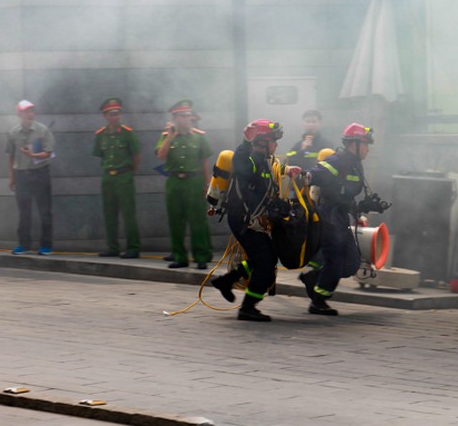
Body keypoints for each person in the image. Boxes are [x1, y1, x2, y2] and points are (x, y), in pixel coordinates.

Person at [210, 119, 301, 322]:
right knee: (266, 264)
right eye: (273, 140)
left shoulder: (264, 160)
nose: (276, 145)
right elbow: (241, 165)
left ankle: (227, 280)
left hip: (254, 219)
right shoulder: (248, 158)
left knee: (265, 257)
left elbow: (265, 189)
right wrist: (245, 142)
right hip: (243, 220)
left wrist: (282, 205)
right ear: (261, 141)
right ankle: (247, 308)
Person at [299, 123, 375, 316]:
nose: (367, 149)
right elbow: (319, 172)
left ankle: (313, 279)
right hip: (328, 217)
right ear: (353, 144)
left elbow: (346, 194)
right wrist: (306, 175)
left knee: (351, 262)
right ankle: (318, 301)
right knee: (335, 260)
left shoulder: (356, 165)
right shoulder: (338, 160)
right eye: (365, 144)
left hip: (340, 217)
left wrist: (359, 211)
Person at [156, 100, 213, 270]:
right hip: (174, 182)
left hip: (194, 181)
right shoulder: (167, 136)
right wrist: (169, 137)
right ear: (175, 118)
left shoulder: (199, 137)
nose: (187, 119)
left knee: (197, 220)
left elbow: (204, 162)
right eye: (183, 116)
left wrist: (207, 183)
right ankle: (180, 257)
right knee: (176, 220)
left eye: (188, 115)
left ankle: (201, 256)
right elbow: (161, 156)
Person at [93, 98, 141, 258]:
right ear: (105, 116)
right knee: (109, 214)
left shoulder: (127, 133)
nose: (115, 117)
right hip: (108, 177)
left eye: (117, 113)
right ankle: (113, 247)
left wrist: (130, 172)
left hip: (124, 176)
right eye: (111, 114)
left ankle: (133, 248)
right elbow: (100, 154)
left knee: (129, 214)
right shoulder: (101, 135)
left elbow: (136, 154)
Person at [7, 100, 55, 255]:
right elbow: (11, 156)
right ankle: (24, 244)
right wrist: (12, 177)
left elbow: (49, 153)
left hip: (40, 173)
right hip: (21, 175)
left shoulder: (43, 130)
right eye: (26, 111)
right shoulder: (13, 133)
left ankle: (46, 245)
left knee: (44, 210)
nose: (30, 114)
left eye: (32, 111)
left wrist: (32, 154)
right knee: (24, 211)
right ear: (19, 114)